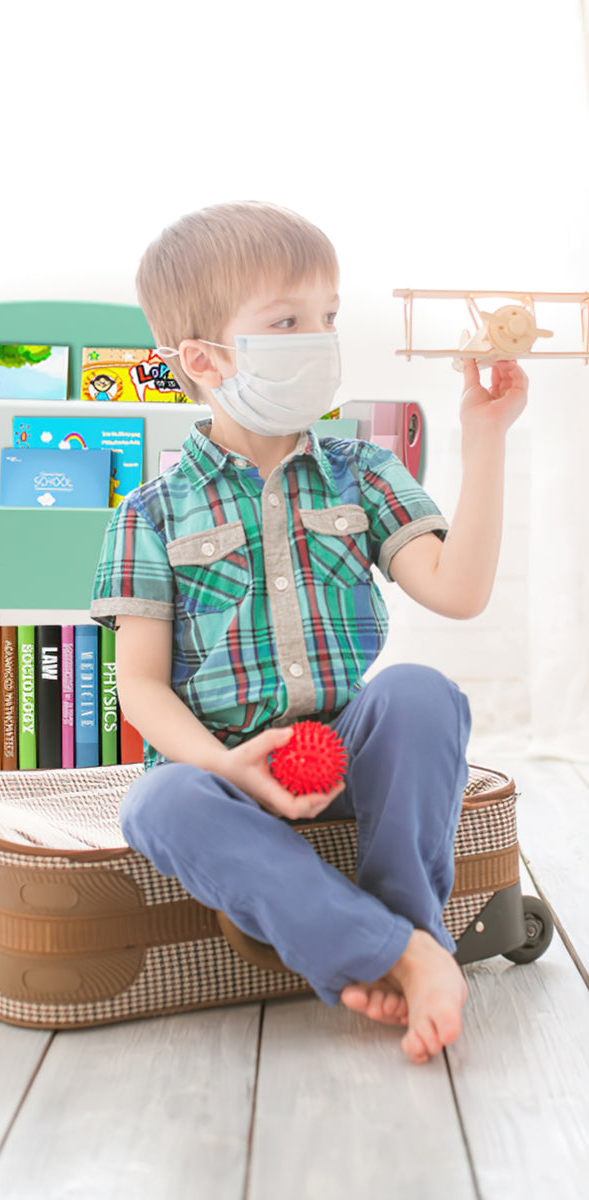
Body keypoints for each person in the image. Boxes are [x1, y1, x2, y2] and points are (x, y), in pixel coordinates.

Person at [89, 200, 528, 1065]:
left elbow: (459, 591)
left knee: (419, 692)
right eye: (287, 321)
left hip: (340, 746)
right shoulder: (147, 513)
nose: (319, 338)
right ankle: (401, 953)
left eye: (326, 316)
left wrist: (486, 440)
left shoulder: (362, 472)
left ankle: (408, 923)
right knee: (156, 801)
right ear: (205, 359)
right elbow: (137, 685)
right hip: (219, 772)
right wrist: (219, 762)